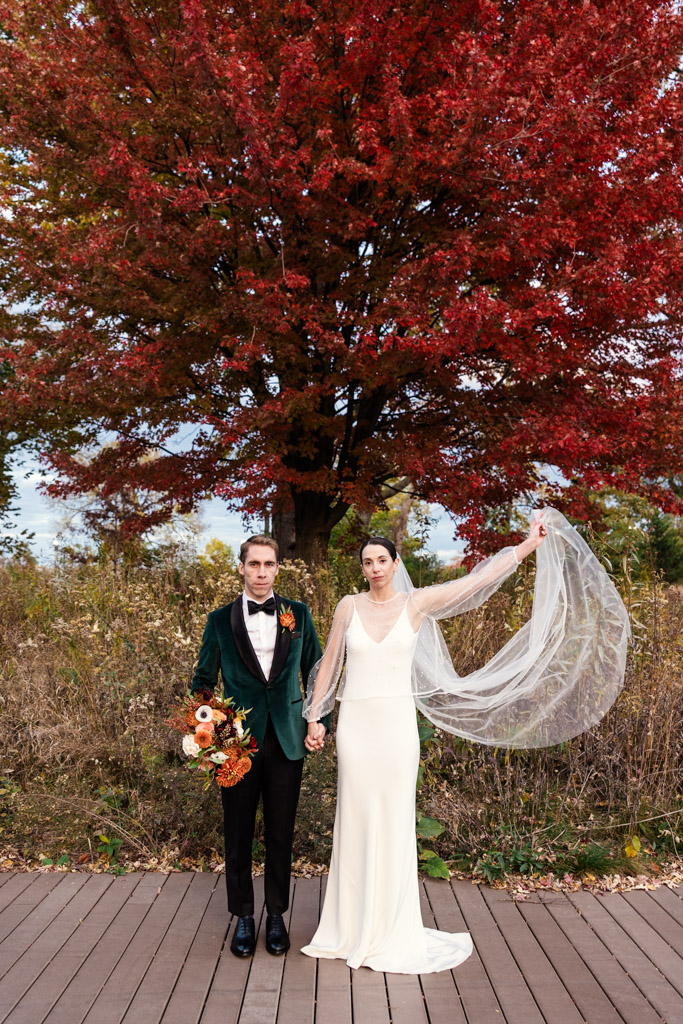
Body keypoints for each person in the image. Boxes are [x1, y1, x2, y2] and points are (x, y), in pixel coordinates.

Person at [301, 508, 629, 973]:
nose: (374, 568)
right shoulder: (347, 607)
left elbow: (474, 583)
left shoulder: (415, 605)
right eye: (367, 562)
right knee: (354, 816)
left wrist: (527, 546)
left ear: (396, 564)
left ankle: (391, 927)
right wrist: (316, 717)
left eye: (381, 560)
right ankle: (349, 927)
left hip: (395, 726)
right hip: (355, 725)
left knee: (393, 820)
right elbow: (330, 663)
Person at [191, 534, 329, 958]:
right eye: (254, 565)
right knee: (237, 834)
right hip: (235, 745)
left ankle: (275, 917)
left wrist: (318, 719)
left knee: (281, 833)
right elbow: (202, 682)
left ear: (277, 569)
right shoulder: (219, 621)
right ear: (242, 567)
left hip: (288, 739)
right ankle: (245, 917)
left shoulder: (299, 615)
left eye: (269, 565)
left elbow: (319, 671)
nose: (262, 572)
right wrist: (210, 729)